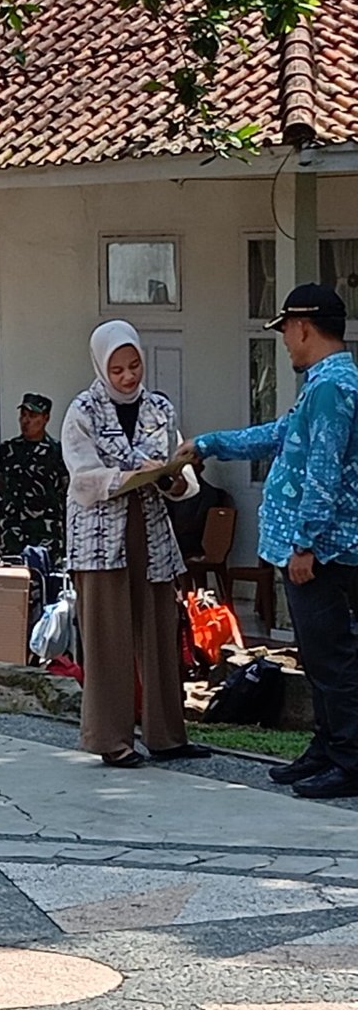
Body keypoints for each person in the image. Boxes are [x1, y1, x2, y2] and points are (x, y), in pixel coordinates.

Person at [183, 284, 358, 798]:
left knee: (332, 658)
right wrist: (209, 444)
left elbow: (324, 471)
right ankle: (326, 748)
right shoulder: (323, 383)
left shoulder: (333, 387)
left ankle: (348, 760)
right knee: (318, 653)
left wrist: (304, 545)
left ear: (303, 327)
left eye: (286, 332)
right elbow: (279, 436)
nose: (285, 342)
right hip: (313, 550)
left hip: (322, 553)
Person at [63, 320, 208, 769]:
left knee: (161, 632)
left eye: (135, 365)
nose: (129, 376)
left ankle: (167, 734)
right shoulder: (82, 410)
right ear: (100, 366)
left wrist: (168, 476)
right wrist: (126, 478)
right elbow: (83, 479)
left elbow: (182, 478)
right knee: (107, 639)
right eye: (118, 368)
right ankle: (111, 739)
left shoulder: (159, 408)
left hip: (151, 531)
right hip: (101, 536)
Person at [0, 392, 69, 560]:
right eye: (23, 415)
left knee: (46, 580)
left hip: (46, 531)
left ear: (45, 418)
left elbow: (66, 488)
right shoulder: (8, 449)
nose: (25, 421)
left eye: (33, 415)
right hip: (13, 529)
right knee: (9, 580)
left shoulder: (57, 452)